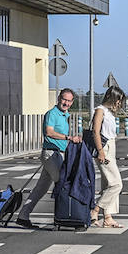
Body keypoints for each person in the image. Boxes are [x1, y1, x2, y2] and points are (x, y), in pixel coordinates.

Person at [17, 88, 83, 229]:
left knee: (40, 189)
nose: (66, 103)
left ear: (72, 102)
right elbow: (49, 132)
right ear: (59, 98)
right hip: (51, 154)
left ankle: (23, 216)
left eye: (69, 101)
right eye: (64, 99)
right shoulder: (52, 114)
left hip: (57, 154)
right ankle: (61, 218)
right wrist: (69, 138)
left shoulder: (65, 115)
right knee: (62, 183)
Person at [90, 86, 125, 228]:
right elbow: (95, 132)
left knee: (107, 184)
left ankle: (108, 217)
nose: (119, 103)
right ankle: (96, 210)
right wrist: (100, 151)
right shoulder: (100, 110)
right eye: (118, 100)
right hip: (103, 148)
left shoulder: (110, 113)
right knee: (116, 184)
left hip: (111, 146)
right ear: (111, 97)